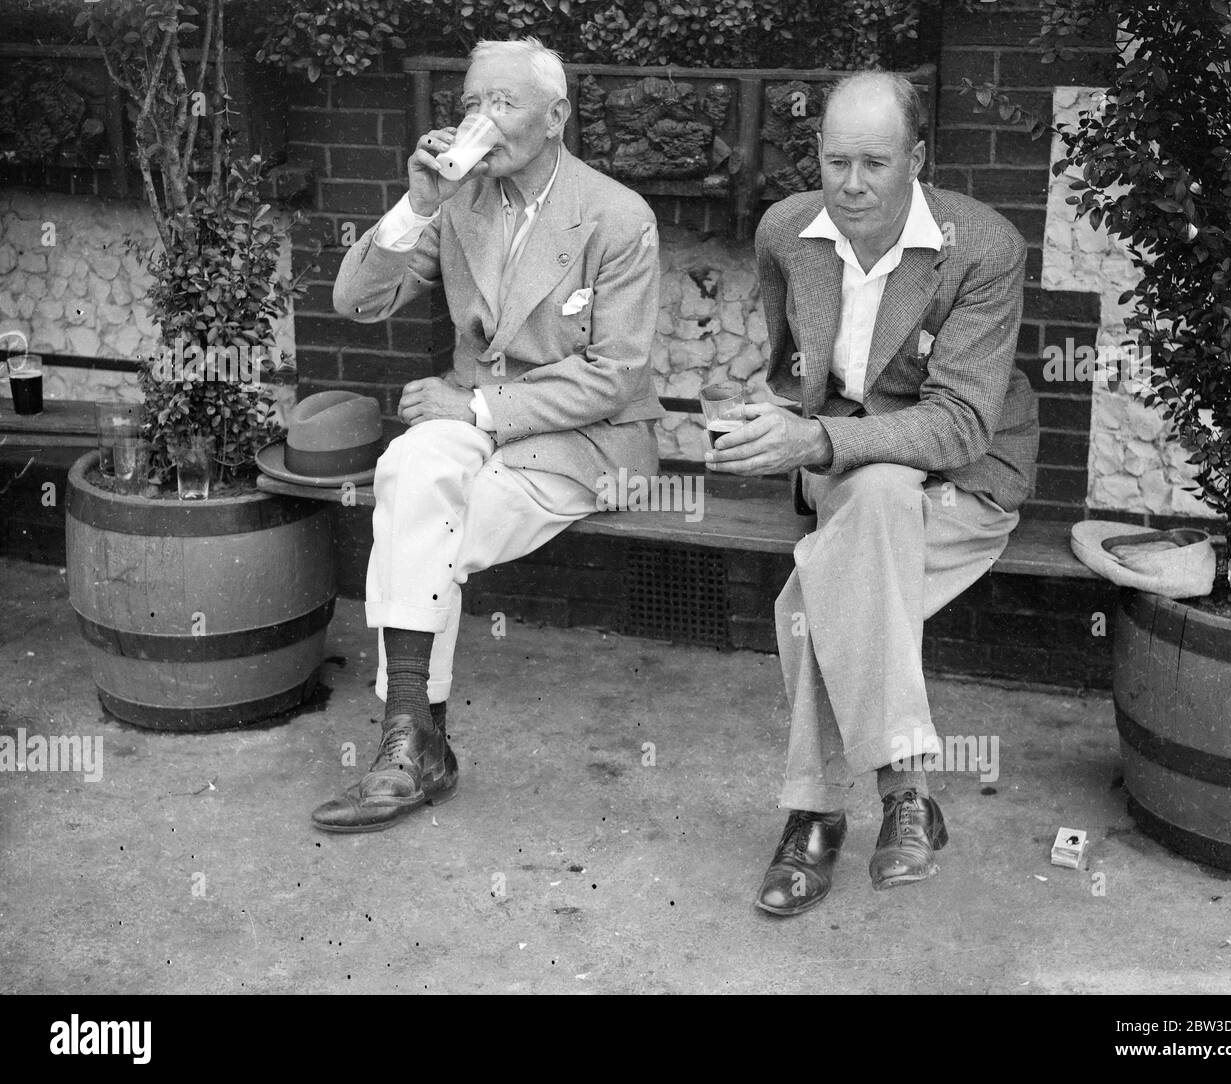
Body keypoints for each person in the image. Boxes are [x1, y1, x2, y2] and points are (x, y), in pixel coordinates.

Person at [707, 71, 1038, 915]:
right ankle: (906, 798)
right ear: (815, 154)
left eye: (876, 164)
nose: (852, 185)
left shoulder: (982, 247)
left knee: (816, 593)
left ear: (918, 160)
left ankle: (814, 815)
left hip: (964, 485)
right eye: (836, 160)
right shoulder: (787, 230)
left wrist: (815, 439)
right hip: (846, 480)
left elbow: (961, 422)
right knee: (876, 500)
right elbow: (793, 371)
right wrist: (765, 419)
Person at [314, 37, 661, 832]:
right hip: (477, 419)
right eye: (471, 104)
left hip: (590, 437)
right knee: (409, 466)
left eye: (502, 104)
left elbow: (614, 374)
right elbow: (355, 302)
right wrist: (418, 205)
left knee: (423, 525)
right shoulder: (459, 203)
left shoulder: (617, 216)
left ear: (556, 116)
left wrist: (476, 409)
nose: (481, 120)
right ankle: (411, 739)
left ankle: (415, 744)